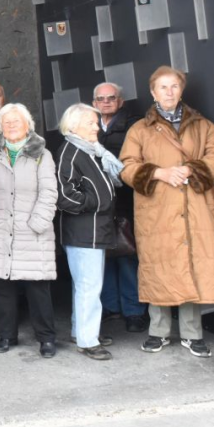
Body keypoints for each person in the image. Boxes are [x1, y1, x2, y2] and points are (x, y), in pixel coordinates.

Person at [120, 66, 214, 358]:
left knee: (191, 265)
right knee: (158, 267)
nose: (169, 92)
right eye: (163, 87)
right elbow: (126, 166)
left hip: (195, 206)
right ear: (153, 92)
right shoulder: (139, 129)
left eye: (174, 86)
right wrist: (159, 173)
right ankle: (158, 331)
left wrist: (192, 169)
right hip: (158, 209)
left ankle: (193, 334)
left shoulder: (203, 125)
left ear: (181, 90)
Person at [0, 103, 59, 358]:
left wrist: (38, 222)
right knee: (3, 288)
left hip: (32, 231)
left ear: (27, 124)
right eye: (6, 121)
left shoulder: (41, 154)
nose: (11, 125)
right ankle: (7, 336)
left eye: (16, 121)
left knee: (37, 289)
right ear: (1, 126)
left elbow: (49, 192)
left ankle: (46, 338)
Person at [55, 104, 125, 361]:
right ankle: (88, 341)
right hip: (84, 231)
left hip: (93, 229)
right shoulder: (71, 151)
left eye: (96, 123)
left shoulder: (89, 150)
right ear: (73, 127)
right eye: (91, 123)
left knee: (84, 286)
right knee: (89, 287)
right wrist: (98, 202)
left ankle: (82, 332)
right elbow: (64, 195)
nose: (97, 127)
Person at [94, 82, 148, 332]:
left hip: (126, 200)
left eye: (111, 98)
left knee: (127, 255)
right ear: (94, 103)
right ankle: (110, 307)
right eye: (101, 98)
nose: (106, 102)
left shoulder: (135, 125)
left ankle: (134, 311)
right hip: (98, 203)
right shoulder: (88, 124)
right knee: (103, 256)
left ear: (120, 101)